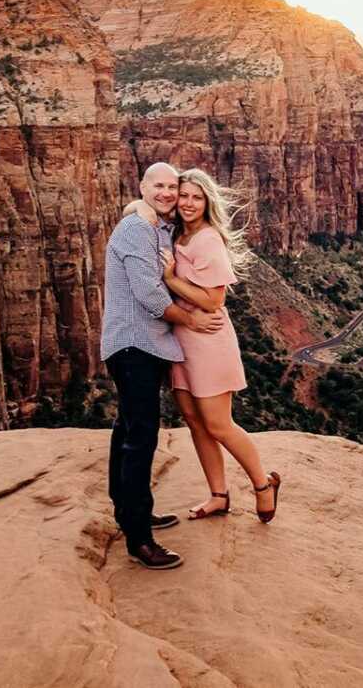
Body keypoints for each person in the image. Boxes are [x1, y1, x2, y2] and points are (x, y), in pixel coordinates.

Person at [101, 162, 224, 570]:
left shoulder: (154, 224)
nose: (169, 193)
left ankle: (128, 514)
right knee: (141, 439)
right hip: (133, 345)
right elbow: (151, 294)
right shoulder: (137, 229)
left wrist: (139, 206)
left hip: (143, 346)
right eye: (160, 186)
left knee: (128, 430)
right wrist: (192, 320)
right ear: (143, 186)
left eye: (174, 187)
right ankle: (140, 541)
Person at [159, 168, 281, 523]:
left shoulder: (208, 240)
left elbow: (213, 300)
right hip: (180, 335)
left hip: (208, 338)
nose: (188, 203)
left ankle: (262, 484)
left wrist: (170, 279)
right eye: (184, 195)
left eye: (197, 197)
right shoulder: (177, 234)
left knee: (218, 424)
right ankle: (218, 495)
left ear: (207, 202)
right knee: (194, 421)